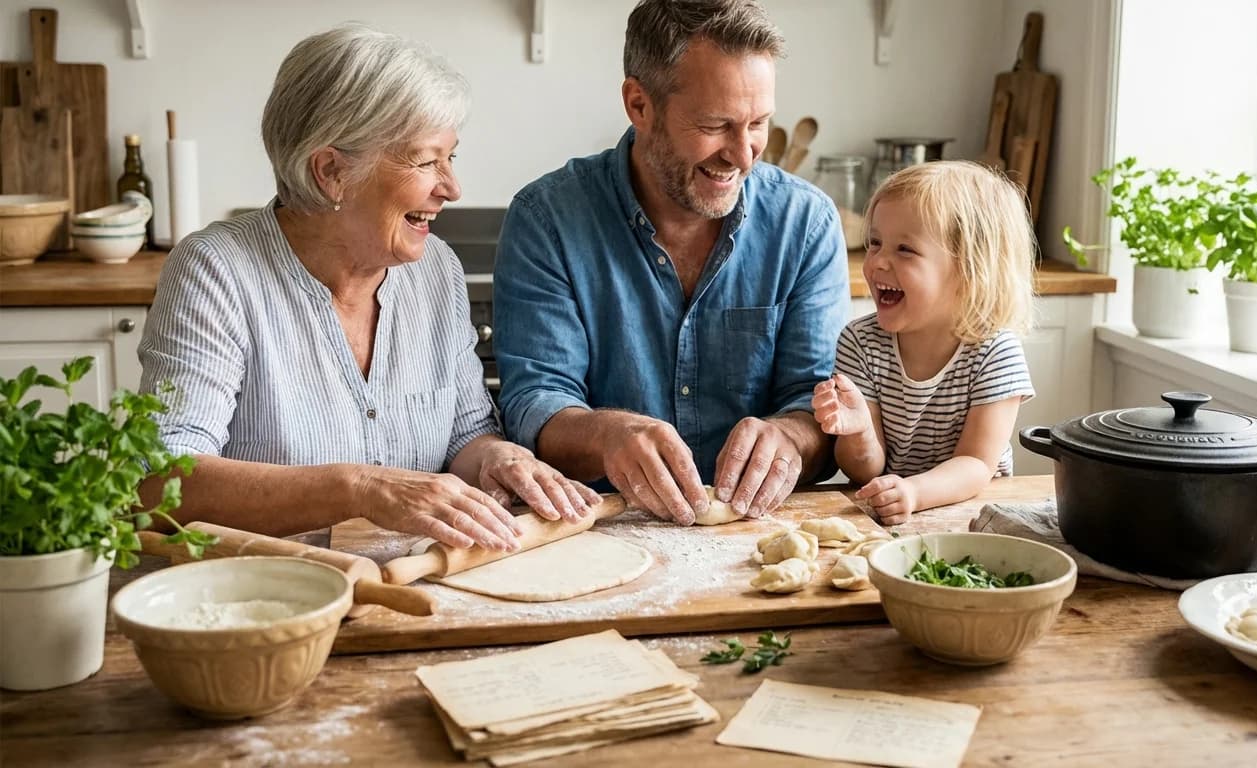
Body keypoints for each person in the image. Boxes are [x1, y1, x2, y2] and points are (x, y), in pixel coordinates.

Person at [137, 24, 598, 552]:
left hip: (414, 584)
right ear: (331, 171)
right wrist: (358, 489)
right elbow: (162, 482)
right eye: (426, 161)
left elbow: (464, 434)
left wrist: (498, 457)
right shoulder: (216, 271)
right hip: (272, 589)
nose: (451, 188)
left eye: (451, 157)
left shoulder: (436, 270)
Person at [494, 0, 849, 526]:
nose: (744, 155)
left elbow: (817, 402)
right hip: (602, 531)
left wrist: (791, 436)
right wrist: (609, 436)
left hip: (759, 531)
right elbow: (535, 403)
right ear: (639, 105)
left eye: (758, 123)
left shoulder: (806, 222)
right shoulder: (546, 220)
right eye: (715, 124)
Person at [811, 161, 1036, 525]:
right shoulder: (860, 342)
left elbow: (977, 464)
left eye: (905, 249)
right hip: (894, 516)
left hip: (972, 517)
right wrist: (860, 431)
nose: (877, 262)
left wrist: (914, 492)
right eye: (875, 243)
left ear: (969, 271)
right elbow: (864, 471)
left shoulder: (995, 352)